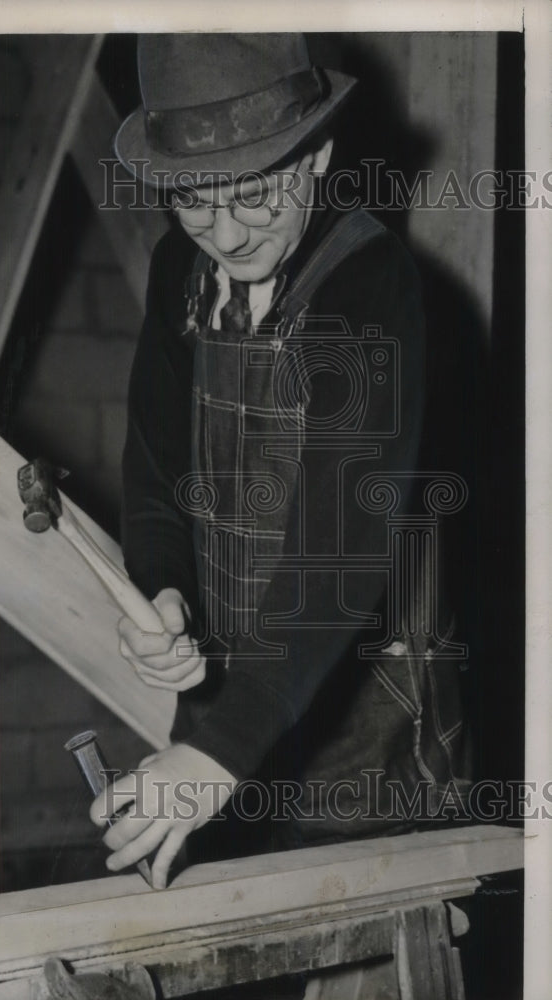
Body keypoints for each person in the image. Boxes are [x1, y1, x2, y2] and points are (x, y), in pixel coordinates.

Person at [90, 33, 472, 895]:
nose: (224, 233)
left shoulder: (369, 286)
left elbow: (337, 546)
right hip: (231, 717)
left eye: (255, 195)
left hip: (366, 736)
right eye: (192, 199)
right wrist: (161, 591)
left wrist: (219, 753)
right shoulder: (176, 274)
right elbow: (156, 473)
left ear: (314, 158)